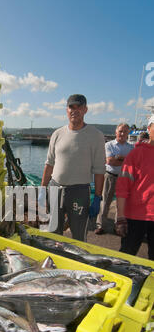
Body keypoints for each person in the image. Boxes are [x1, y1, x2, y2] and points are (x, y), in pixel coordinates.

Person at [40, 94, 106, 242]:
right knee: (53, 233)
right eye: (71, 107)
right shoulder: (57, 134)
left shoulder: (96, 136)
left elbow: (99, 170)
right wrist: (42, 190)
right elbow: (49, 163)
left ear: (85, 110)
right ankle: (55, 262)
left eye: (79, 107)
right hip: (55, 188)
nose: (74, 111)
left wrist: (97, 197)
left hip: (79, 192)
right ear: (66, 110)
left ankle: (77, 264)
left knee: (78, 236)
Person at [115, 115, 154, 260]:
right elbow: (122, 187)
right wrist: (120, 217)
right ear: (149, 129)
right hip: (135, 216)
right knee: (126, 257)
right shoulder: (136, 154)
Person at [95, 123, 133, 234]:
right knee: (105, 202)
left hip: (124, 178)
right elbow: (110, 161)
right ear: (116, 132)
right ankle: (100, 225)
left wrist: (119, 158)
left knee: (120, 204)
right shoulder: (109, 145)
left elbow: (133, 163)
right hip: (110, 177)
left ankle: (118, 226)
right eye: (120, 131)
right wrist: (125, 160)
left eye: (125, 131)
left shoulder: (131, 147)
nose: (122, 133)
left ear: (128, 133)